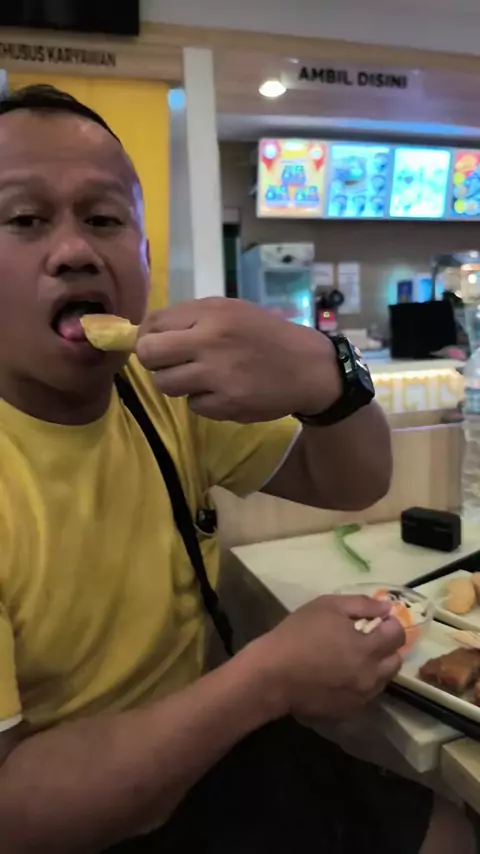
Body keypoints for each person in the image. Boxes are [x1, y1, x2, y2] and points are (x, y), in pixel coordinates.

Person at [0, 84, 474, 854]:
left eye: (104, 218)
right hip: (82, 817)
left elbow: (351, 482)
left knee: (453, 829)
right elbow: (12, 813)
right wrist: (267, 679)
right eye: (24, 218)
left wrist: (329, 373)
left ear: (144, 255)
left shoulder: (158, 392)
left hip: (216, 759)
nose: (76, 249)